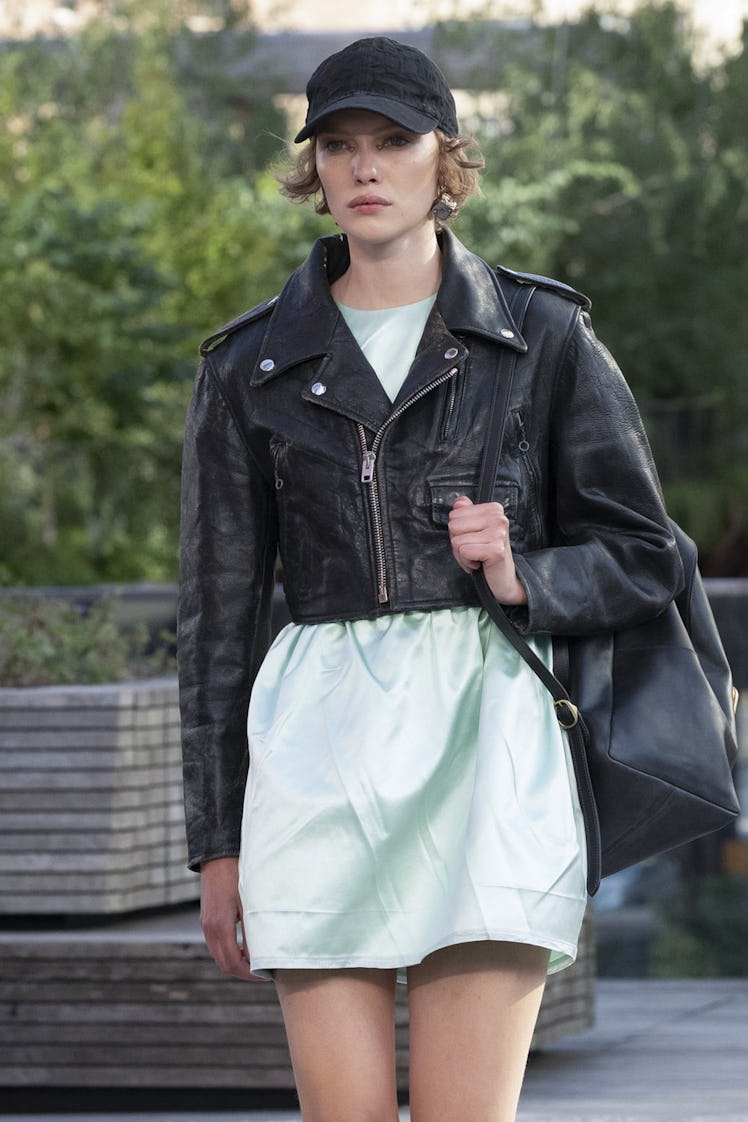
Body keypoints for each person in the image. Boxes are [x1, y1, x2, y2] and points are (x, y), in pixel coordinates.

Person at [178, 36, 683, 1122]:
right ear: (310, 168)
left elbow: (650, 556)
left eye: (393, 142)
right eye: (339, 145)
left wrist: (518, 573)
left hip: (488, 752)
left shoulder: (539, 335)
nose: (364, 168)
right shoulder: (247, 368)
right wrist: (215, 843)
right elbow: (216, 622)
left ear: (443, 160)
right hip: (314, 759)